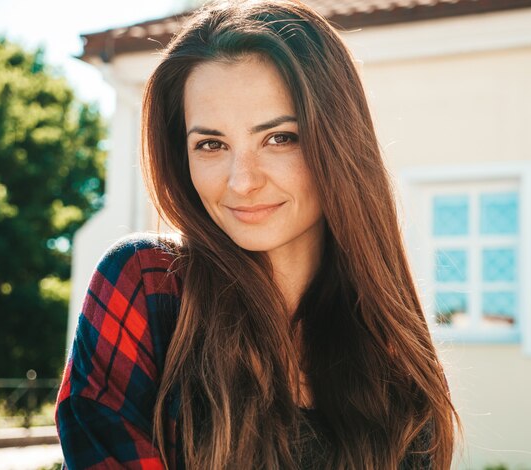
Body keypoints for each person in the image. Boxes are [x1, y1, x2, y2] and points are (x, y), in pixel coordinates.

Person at [55, 0, 460, 468]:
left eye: (279, 137)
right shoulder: (149, 285)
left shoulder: (398, 361)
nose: (242, 181)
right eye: (211, 144)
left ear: (338, 139)